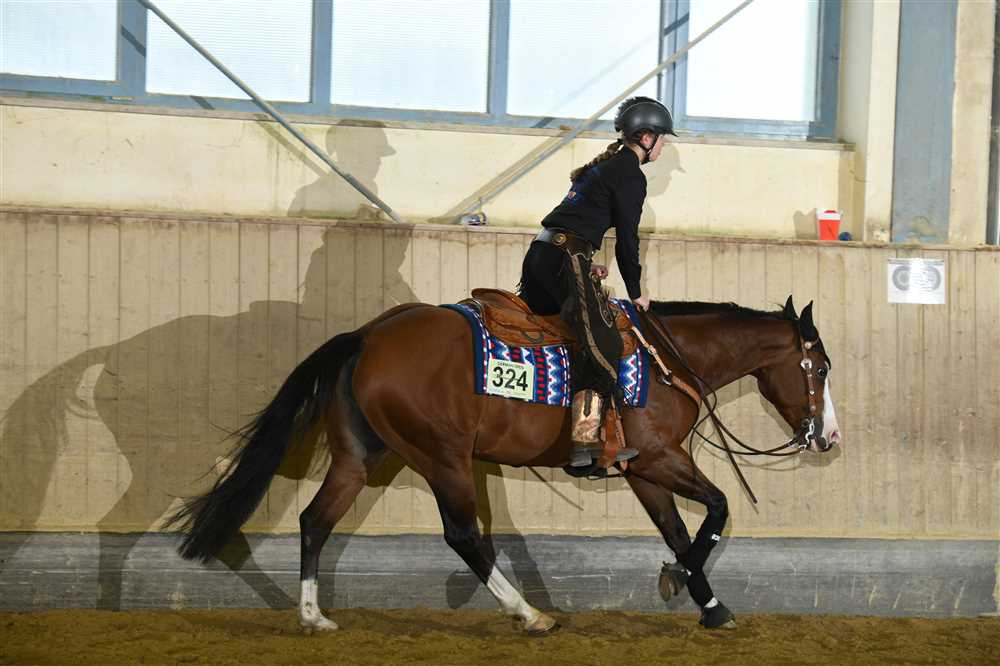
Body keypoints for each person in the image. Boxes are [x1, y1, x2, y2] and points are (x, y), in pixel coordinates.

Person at [517, 96, 677, 468]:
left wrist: (587, 264)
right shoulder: (630, 175)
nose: (664, 147)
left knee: (568, 337)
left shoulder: (605, 167)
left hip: (544, 257)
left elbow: (576, 223)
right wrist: (637, 293)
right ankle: (585, 443)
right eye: (663, 139)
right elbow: (627, 242)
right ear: (646, 137)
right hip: (564, 260)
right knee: (605, 345)